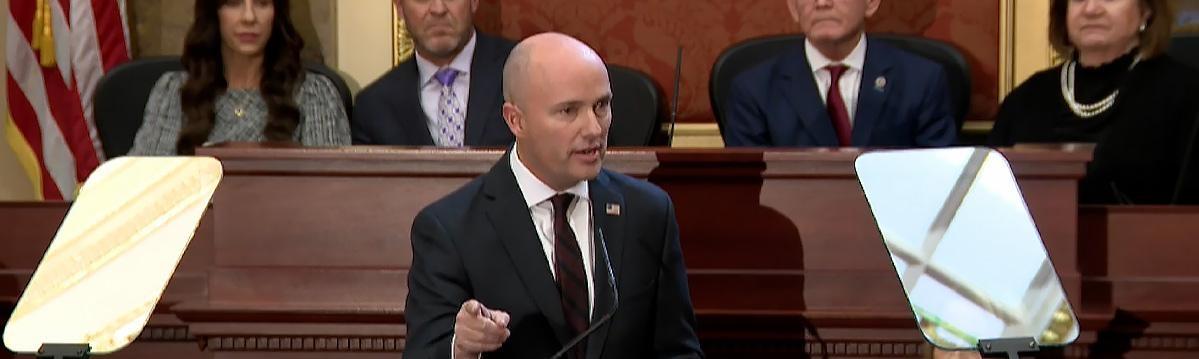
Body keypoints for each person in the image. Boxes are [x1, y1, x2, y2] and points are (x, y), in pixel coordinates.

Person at [404, 33, 704, 359]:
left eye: (601, 105)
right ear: (516, 120)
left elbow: (679, 351)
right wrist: (460, 348)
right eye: (568, 111)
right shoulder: (450, 230)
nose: (593, 128)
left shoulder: (648, 213)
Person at [989, 0, 1199, 204]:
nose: (1091, 9)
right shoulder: (1025, 100)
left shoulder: (1186, 93)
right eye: (1078, 0)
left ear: (1146, 11)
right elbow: (990, 199)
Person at [723, 0, 957, 148]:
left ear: (871, 3)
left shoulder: (921, 80)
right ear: (793, 8)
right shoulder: (753, 90)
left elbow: (937, 185)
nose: (822, 3)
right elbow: (749, 196)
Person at [129, 0, 350, 156]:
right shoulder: (174, 91)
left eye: (262, 3)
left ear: (276, 13)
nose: (249, 17)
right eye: (234, 3)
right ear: (214, 11)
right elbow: (140, 191)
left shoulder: (314, 95)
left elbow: (331, 197)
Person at [352, 0, 515, 147]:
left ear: (473, 2)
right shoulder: (373, 108)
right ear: (400, 8)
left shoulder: (522, 74)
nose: (438, 9)